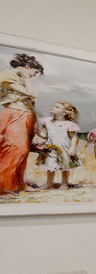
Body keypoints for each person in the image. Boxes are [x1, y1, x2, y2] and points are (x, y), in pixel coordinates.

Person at [0, 53, 44, 194]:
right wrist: (25, 76)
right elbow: (32, 94)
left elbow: (31, 103)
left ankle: (19, 184)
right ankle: (4, 186)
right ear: (27, 67)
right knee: (16, 149)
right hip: (15, 114)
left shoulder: (20, 78)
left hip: (26, 115)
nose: (34, 76)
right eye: (35, 72)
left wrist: (35, 124)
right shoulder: (8, 76)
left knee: (24, 152)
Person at [35, 101, 81, 190]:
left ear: (64, 113)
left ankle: (64, 183)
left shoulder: (70, 124)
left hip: (64, 148)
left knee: (65, 166)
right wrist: (38, 132)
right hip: (50, 147)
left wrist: (72, 148)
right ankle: (49, 183)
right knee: (50, 165)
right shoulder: (47, 121)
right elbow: (44, 135)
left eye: (57, 107)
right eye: (53, 106)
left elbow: (74, 137)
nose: (53, 107)